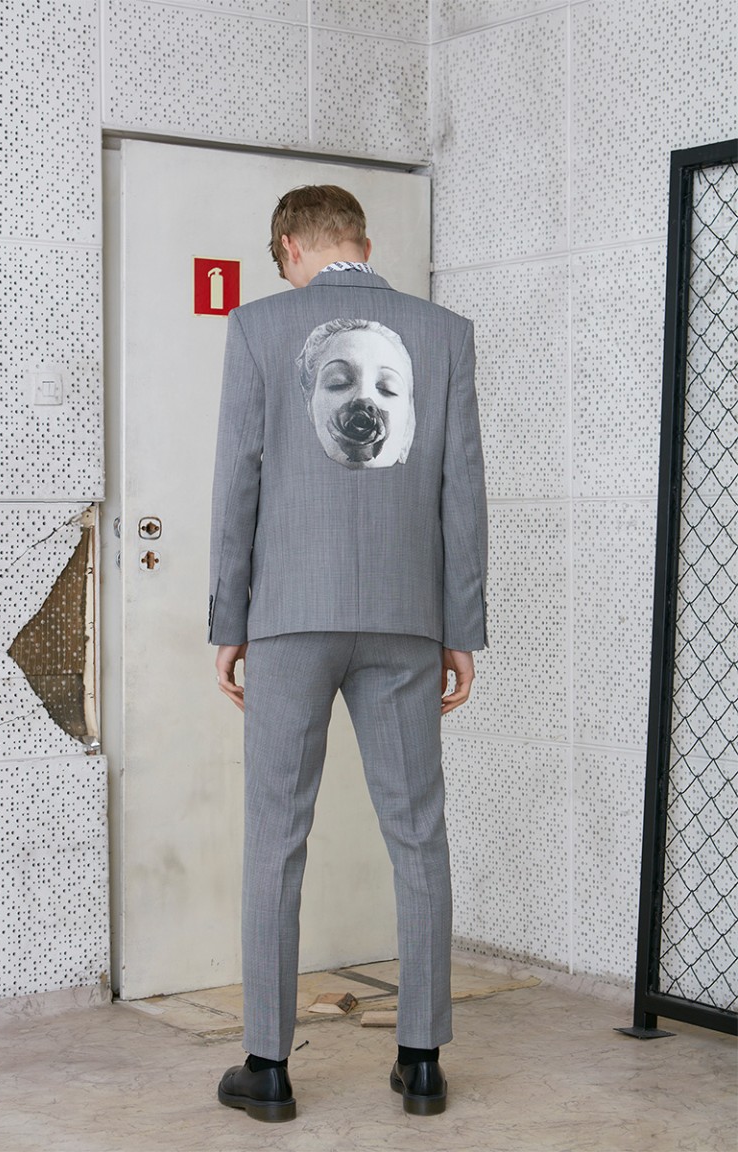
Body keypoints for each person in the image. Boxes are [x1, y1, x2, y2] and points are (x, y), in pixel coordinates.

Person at [209, 184, 487, 1123]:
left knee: (275, 837)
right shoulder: (444, 334)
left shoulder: (257, 327)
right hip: (407, 619)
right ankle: (421, 1063)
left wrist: (229, 621)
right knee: (418, 834)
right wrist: (460, 628)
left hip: (290, 617)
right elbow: (461, 489)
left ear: (290, 246)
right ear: (361, 241)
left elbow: (237, 483)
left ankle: (267, 1069)